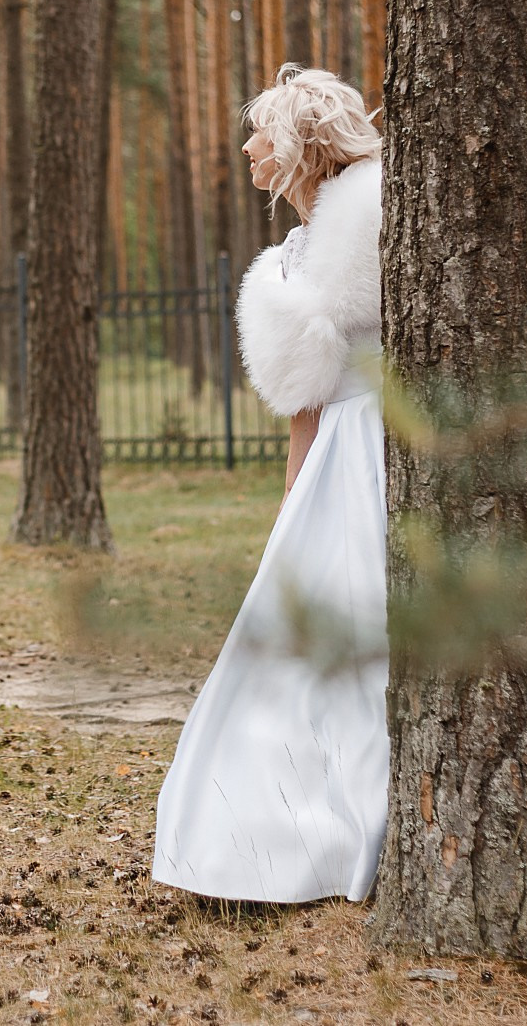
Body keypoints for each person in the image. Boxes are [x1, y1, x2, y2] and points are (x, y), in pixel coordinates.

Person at [151, 65, 388, 903]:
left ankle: (372, 821)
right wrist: (291, 510)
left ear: (299, 144)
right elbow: (305, 411)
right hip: (334, 466)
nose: (249, 146)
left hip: (391, 446)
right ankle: (288, 834)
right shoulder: (291, 254)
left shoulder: (382, 216)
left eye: (261, 132)